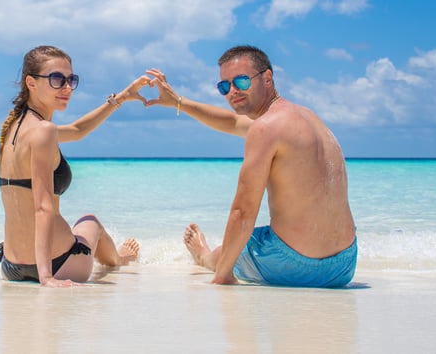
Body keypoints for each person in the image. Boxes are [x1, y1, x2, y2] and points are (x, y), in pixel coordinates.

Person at [146, 45, 357, 287]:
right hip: (344, 264)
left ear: (267, 78)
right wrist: (178, 103)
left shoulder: (266, 128)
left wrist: (222, 275)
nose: (232, 91)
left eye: (242, 82)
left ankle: (204, 256)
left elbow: (243, 210)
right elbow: (234, 122)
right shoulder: (307, 118)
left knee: (231, 249)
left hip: (296, 266)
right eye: (224, 86)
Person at [0, 45, 147, 287]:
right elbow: (42, 208)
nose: (66, 87)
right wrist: (46, 277)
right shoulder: (44, 131)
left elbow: (77, 131)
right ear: (31, 83)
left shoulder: (15, 127)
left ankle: (115, 259)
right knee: (91, 221)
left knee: (81, 226)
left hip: (11, 265)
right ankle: (118, 260)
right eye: (56, 79)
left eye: (70, 80)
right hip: (57, 263)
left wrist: (121, 98)